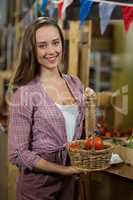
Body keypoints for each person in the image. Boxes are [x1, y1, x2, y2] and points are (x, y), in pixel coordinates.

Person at [8, 17, 86, 200]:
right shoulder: (26, 93)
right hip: (37, 190)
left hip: (70, 187)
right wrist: (63, 169)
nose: (51, 51)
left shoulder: (75, 83)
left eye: (55, 43)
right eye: (42, 45)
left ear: (62, 45)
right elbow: (18, 153)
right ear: (32, 50)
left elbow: (83, 133)